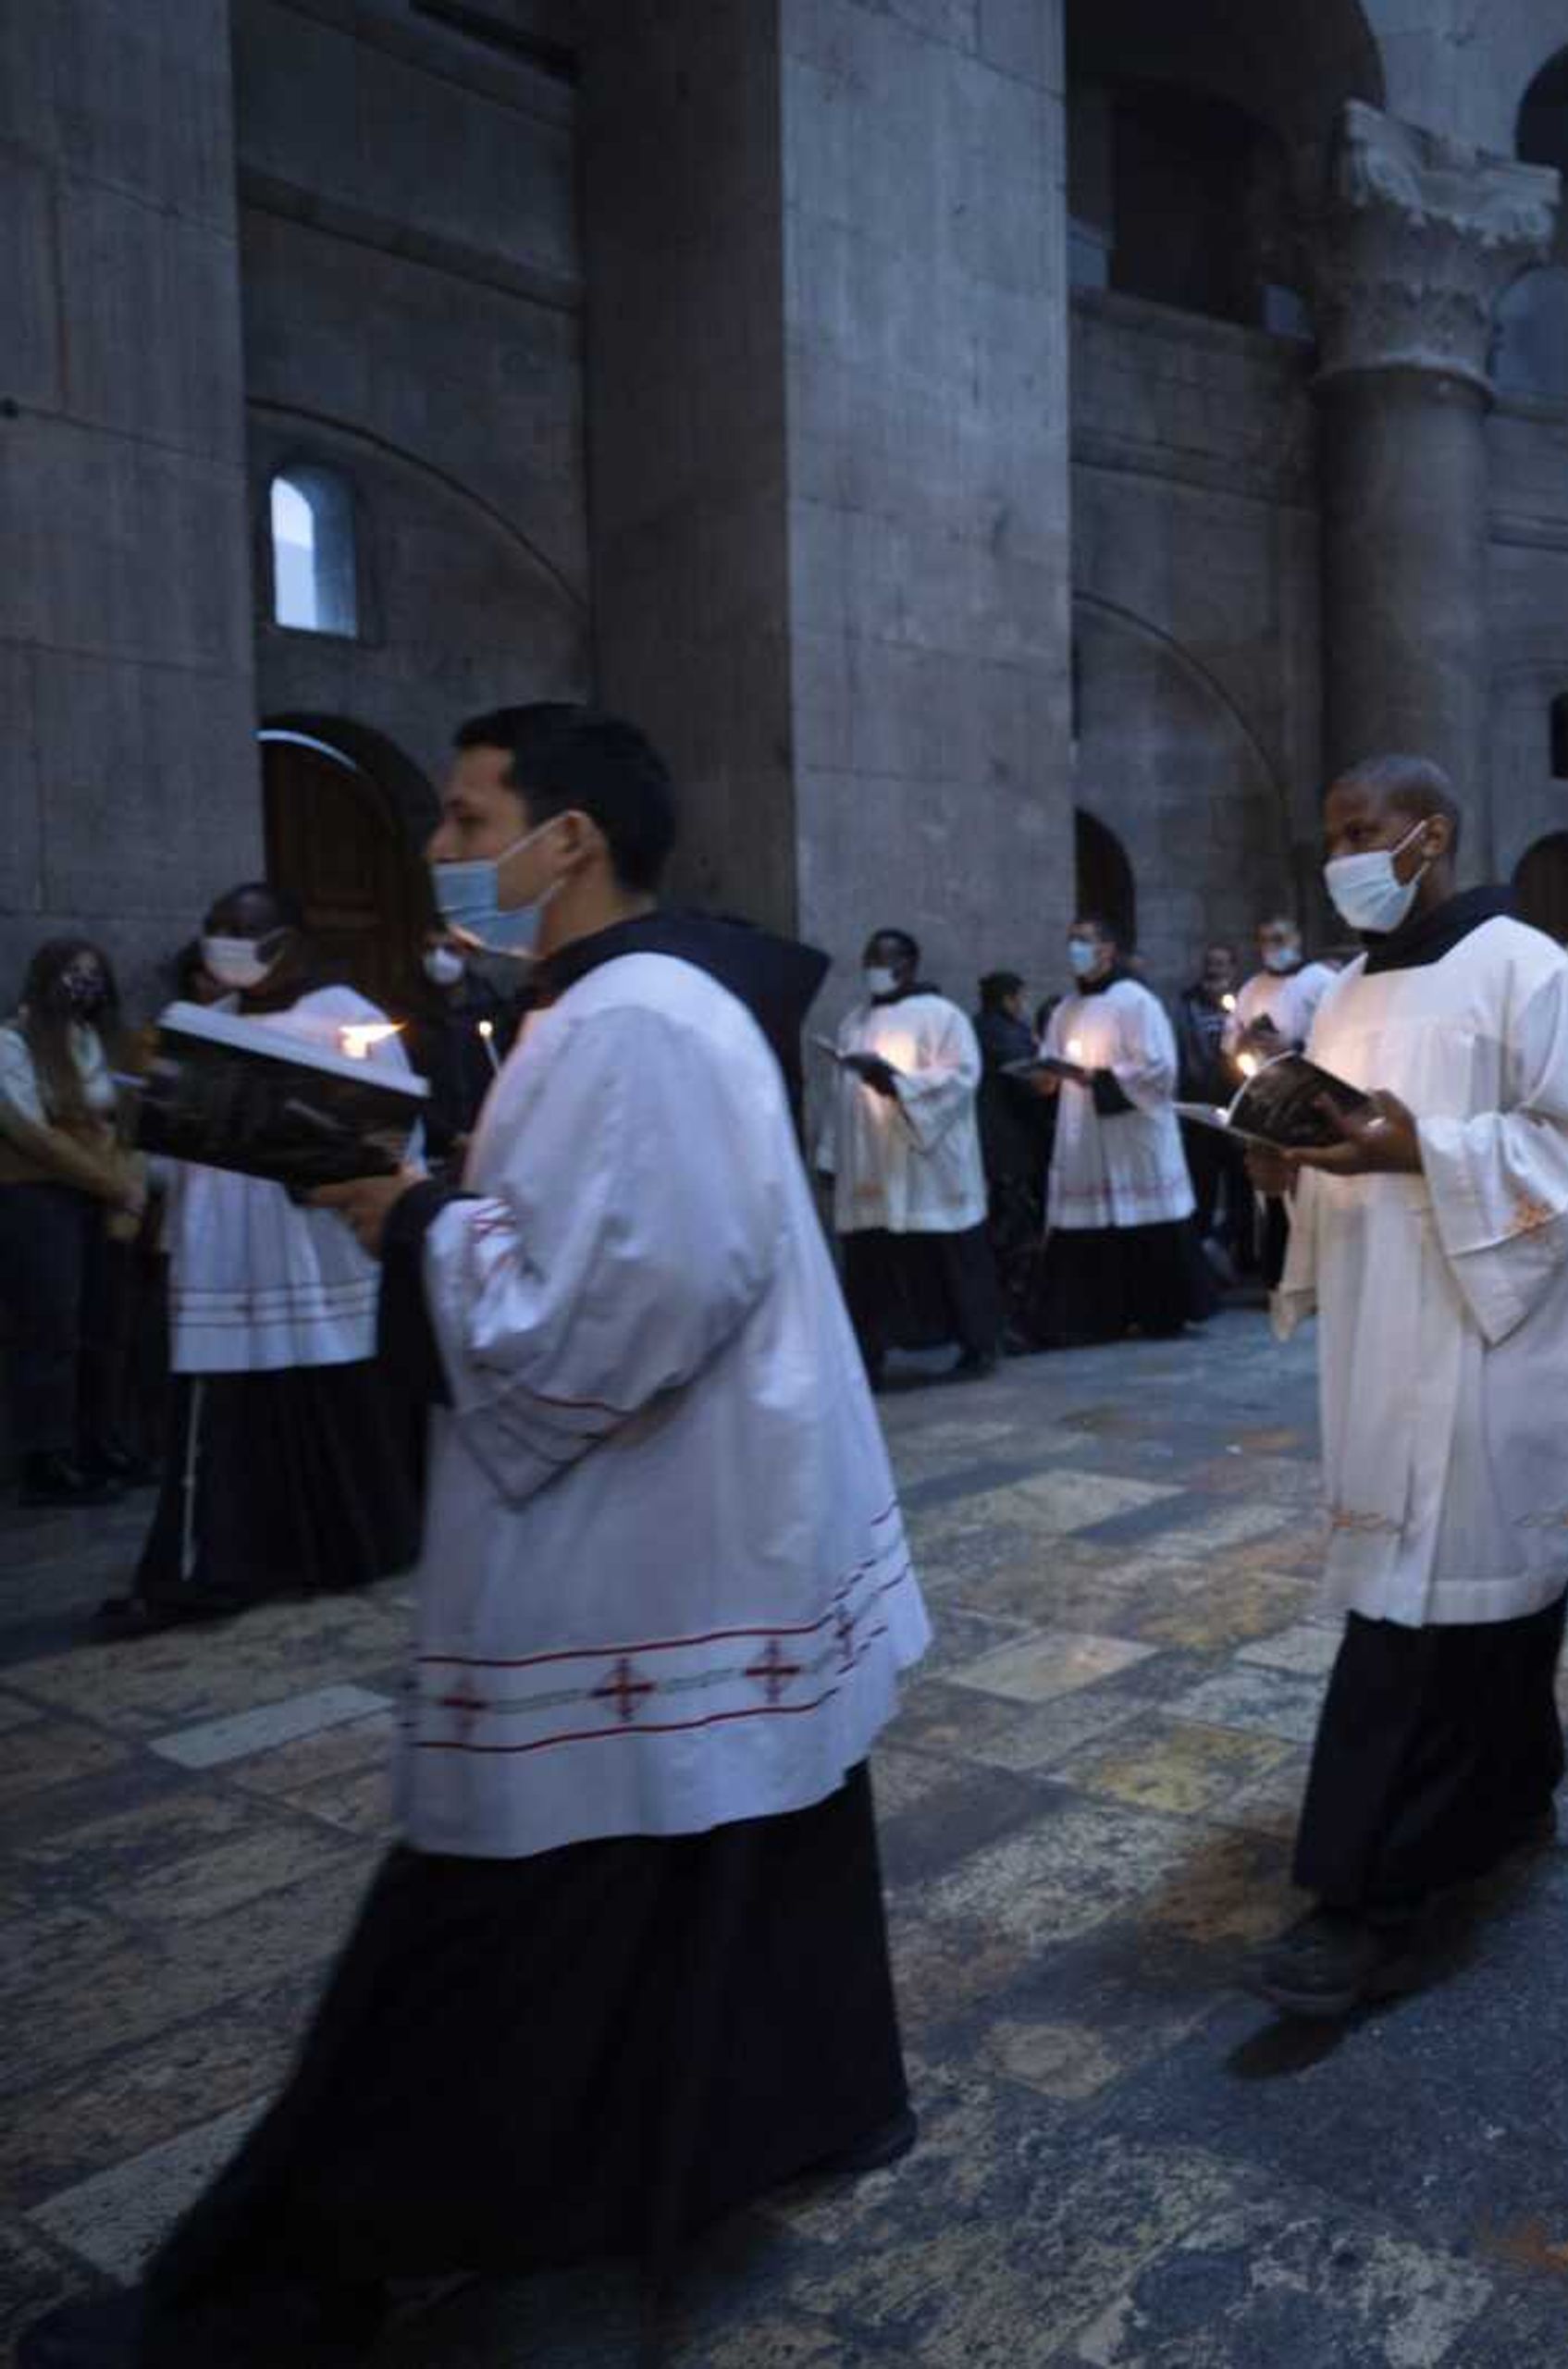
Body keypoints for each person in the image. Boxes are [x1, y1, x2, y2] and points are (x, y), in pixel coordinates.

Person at [23, 708, 929, 2369]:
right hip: (704, 1531)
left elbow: (626, 1303)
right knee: (712, 1846)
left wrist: (414, 1216)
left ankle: (297, 2279)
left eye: (462, 816)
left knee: (508, 1898)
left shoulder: (636, 1021)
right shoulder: (612, 1008)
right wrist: (442, 1196)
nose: (439, 851)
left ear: (564, 838)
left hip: (641, 1542)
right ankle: (751, 2127)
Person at [1242, 754, 1568, 2019]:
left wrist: (1426, 1149)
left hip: (1486, 1338)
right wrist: (1283, 1172)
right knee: (1461, 1612)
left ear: (1434, 833)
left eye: (1364, 827)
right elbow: (1332, 1147)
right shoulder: (1346, 993)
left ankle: (1368, 1893)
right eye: (1331, 831)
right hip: (1380, 1332)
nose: (1343, 850)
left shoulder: (1530, 970)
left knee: (1437, 1618)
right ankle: (1512, 1802)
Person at [95, 887, 424, 1637]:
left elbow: (392, 1140)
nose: (222, 945)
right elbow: (167, 1155)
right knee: (228, 1413)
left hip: (313, 1238)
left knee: (331, 1392)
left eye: (239, 932)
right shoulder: (201, 1028)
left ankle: (351, 1546)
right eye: (212, 931)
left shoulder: (352, 1018)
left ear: (287, 939)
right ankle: (216, 1566)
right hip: (227, 1250)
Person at [0, 940, 148, 1506]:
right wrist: (112, 1184)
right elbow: (31, 1131)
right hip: (39, 1195)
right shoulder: (16, 1040)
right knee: (50, 1327)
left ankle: (97, 1441)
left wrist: (125, 1182)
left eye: (92, 975)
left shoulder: (100, 1041)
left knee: (103, 1326)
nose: (81, 984)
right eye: (71, 974)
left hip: (102, 1196)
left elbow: (126, 1120)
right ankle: (46, 1456)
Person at [817, 928, 999, 1384]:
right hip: (870, 1161)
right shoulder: (853, 1021)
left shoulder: (944, 1017)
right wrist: (831, 1155)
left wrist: (898, 1084)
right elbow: (837, 1095)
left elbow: (961, 1078)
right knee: (870, 1261)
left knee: (948, 1254)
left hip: (927, 1164)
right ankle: (870, 1350)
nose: (875, 968)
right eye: (870, 958)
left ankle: (977, 1345)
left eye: (886, 959)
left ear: (910, 965)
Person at [1031, 914, 1217, 1341]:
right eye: (1070, 939)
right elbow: (1050, 1062)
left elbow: (1159, 1069)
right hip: (1084, 1133)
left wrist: (1098, 1078)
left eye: (1083, 940)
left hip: (1132, 1133)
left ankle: (1160, 1312)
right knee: (1091, 1221)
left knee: (1144, 1218)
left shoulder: (1136, 1002)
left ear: (1107, 950)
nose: (1074, 948)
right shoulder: (1065, 1008)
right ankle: (1096, 1316)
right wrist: (1044, 1078)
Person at [1227, 913, 1334, 1285]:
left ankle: (1318, 1276)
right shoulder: (1251, 988)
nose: (1270, 946)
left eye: (1278, 937)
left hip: (1310, 1098)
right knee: (1271, 1190)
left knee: (1310, 1186)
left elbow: (1338, 1038)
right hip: (1266, 1098)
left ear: (1297, 938)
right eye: (1264, 939)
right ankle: (1280, 1274)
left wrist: (1294, 1046)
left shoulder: (1322, 982)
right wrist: (1241, 1042)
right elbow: (1231, 1038)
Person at [972, 969, 1049, 1332]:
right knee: (1014, 1235)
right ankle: (1014, 1317)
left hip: (993, 1145)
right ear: (1009, 1000)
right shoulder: (1005, 1034)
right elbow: (1029, 1082)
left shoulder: (977, 1028)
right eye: (1021, 998)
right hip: (1010, 1146)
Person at [409, 927, 511, 1178]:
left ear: (468, 954)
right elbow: (405, 1086)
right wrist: (452, 1137)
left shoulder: (496, 1011)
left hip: (488, 1146)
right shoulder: (409, 1013)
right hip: (433, 1152)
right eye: (430, 949)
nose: (438, 958)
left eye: (450, 949)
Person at [1177, 941, 1253, 1273]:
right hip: (1201, 1109)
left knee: (1241, 1189)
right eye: (1210, 963)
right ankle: (1202, 1262)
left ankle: (1237, 1255)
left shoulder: (1242, 1004)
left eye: (1221, 964)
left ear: (1232, 969)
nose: (1215, 970)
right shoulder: (1187, 1005)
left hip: (1236, 1106)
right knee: (1202, 1187)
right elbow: (1185, 1051)